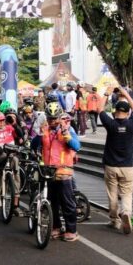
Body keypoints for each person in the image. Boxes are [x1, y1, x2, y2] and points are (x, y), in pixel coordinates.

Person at [98, 87, 133, 235]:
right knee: (127, 193)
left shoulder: (111, 124)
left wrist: (107, 93)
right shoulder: (132, 124)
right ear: (127, 113)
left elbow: (100, 109)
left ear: (115, 112)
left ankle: (115, 220)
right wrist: (125, 94)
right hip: (128, 166)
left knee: (112, 194)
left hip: (111, 166)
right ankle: (126, 212)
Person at [41, 102, 81, 242]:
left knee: (67, 204)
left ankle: (71, 230)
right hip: (49, 172)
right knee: (53, 203)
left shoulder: (68, 129)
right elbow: (36, 143)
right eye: (50, 118)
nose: (52, 121)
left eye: (55, 118)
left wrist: (67, 135)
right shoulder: (45, 129)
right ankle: (56, 227)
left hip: (64, 173)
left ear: (60, 117)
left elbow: (77, 146)